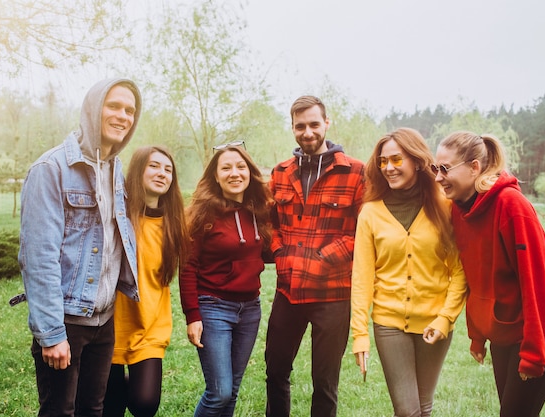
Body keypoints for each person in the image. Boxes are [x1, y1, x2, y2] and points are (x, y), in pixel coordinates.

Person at [18, 78, 141, 417]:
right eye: (113, 106)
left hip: (103, 321)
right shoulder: (52, 168)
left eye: (130, 110)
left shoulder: (115, 169)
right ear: (92, 109)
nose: (123, 116)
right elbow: (38, 257)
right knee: (60, 411)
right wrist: (52, 333)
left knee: (93, 409)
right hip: (67, 321)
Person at [434, 131, 545, 417]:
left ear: (475, 167)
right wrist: (477, 336)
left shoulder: (511, 206)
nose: (438, 177)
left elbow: (536, 284)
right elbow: (475, 278)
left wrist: (535, 354)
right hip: (505, 329)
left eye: (445, 169)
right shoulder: (458, 210)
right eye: (436, 168)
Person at [350, 128, 467, 417]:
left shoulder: (444, 205)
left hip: (434, 323)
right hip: (389, 323)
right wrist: (360, 334)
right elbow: (362, 277)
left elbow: (459, 270)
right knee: (407, 410)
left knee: (423, 408)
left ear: (416, 161)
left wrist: (445, 318)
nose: (389, 167)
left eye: (397, 160)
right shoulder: (371, 212)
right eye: (383, 161)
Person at [265, 95, 365, 417]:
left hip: (333, 296)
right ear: (293, 128)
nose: (307, 132)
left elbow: (364, 232)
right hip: (288, 291)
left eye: (313, 124)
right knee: (276, 370)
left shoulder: (355, 173)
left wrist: (325, 257)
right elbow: (270, 226)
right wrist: (281, 252)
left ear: (326, 124)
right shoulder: (280, 173)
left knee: (324, 382)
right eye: (300, 126)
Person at [179, 142, 273, 417]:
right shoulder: (203, 213)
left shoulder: (259, 212)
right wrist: (192, 315)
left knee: (231, 391)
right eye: (226, 168)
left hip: (250, 310)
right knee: (218, 391)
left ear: (250, 173)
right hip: (213, 307)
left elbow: (265, 250)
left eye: (241, 166)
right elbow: (187, 267)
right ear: (215, 176)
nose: (235, 173)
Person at [103, 146, 188, 417]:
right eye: (154, 166)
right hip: (110, 325)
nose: (162, 173)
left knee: (145, 402)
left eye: (168, 169)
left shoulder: (175, 224)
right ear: (138, 170)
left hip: (151, 324)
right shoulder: (116, 218)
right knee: (110, 407)